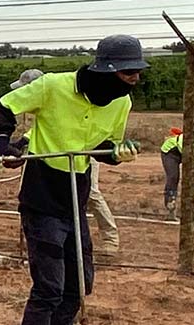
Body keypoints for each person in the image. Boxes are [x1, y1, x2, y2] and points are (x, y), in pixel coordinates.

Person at [0, 36, 146, 325]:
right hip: (42, 194)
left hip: (76, 194)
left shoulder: (121, 102)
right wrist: (5, 145)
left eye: (138, 72)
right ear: (106, 70)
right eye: (129, 72)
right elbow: (6, 108)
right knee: (49, 285)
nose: (136, 79)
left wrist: (117, 154)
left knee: (80, 280)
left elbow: (103, 148)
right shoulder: (52, 86)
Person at [10, 69, 120, 256]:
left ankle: (110, 237)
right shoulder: (43, 101)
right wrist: (24, 142)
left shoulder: (61, 96)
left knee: (92, 194)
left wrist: (24, 141)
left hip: (82, 154)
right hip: (55, 158)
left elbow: (68, 128)